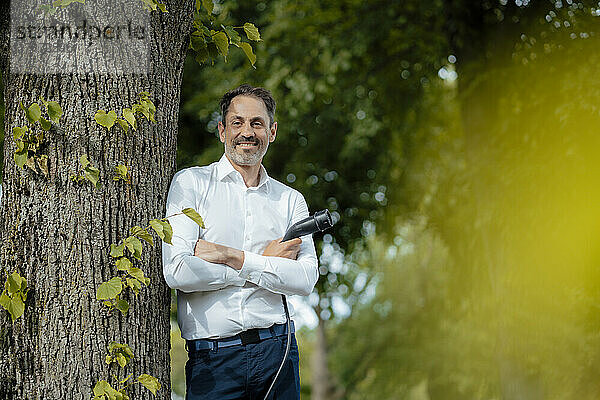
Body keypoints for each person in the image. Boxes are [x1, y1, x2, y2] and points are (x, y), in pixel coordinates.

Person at [162, 84, 319, 399]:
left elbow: (304, 279)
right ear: (222, 130)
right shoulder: (190, 184)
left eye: (257, 123)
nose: (247, 132)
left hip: (279, 354)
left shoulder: (290, 200)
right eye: (237, 122)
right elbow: (178, 271)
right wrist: (264, 263)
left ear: (271, 132)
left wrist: (230, 256)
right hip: (213, 361)